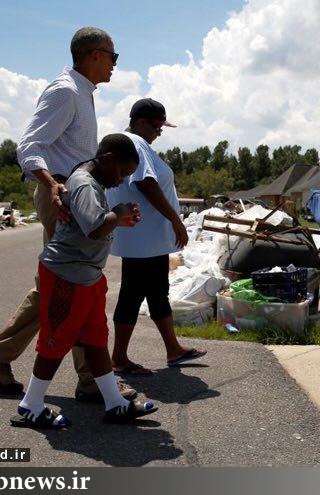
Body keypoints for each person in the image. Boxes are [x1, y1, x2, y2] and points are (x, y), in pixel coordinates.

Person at [0, 26, 136, 403]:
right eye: (114, 57)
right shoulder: (66, 91)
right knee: (77, 282)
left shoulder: (82, 93)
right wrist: (52, 185)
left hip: (72, 194)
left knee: (62, 285)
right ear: (95, 54)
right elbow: (29, 145)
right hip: (62, 196)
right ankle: (91, 379)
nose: (114, 65)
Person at [12, 133, 157, 428]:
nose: (120, 181)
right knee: (55, 340)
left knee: (95, 340)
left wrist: (119, 218)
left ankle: (115, 403)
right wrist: (117, 213)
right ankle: (30, 405)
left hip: (87, 275)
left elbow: (96, 225)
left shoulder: (92, 183)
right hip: (67, 274)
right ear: (107, 159)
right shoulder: (83, 184)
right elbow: (94, 228)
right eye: (121, 173)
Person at [105, 98, 205, 375]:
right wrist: (176, 219)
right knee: (132, 295)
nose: (160, 131)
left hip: (147, 240)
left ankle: (173, 349)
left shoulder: (137, 144)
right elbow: (145, 182)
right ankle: (119, 358)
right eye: (157, 125)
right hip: (143, 239)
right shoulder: (136, 143)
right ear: (139, 122)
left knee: (157, 293)